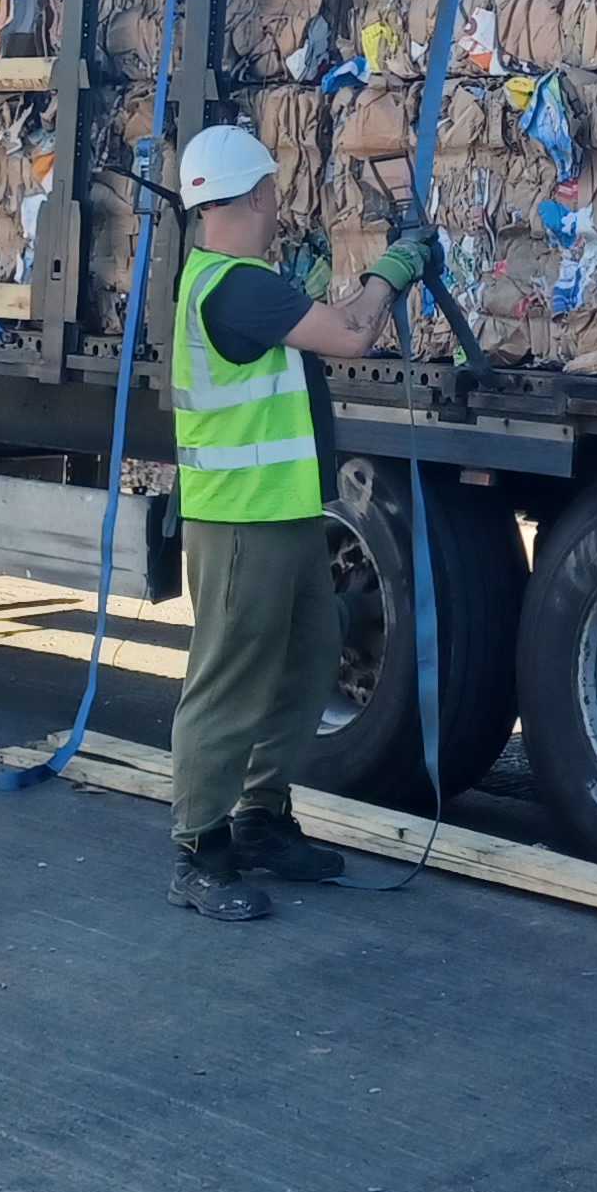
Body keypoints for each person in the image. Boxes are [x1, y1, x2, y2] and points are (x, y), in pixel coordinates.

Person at [160, 124, 424, 921]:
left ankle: (261, 819)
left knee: (306, 664)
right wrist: (392, 270)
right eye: (275, 194)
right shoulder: (233, 288)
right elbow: (352, 334)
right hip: (240, 523)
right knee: (229, 682)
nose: (281, 206)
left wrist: (314, 286)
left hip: (284, 513)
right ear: (258, 195)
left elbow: (301, 334)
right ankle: (199, 852)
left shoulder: (245, 285)